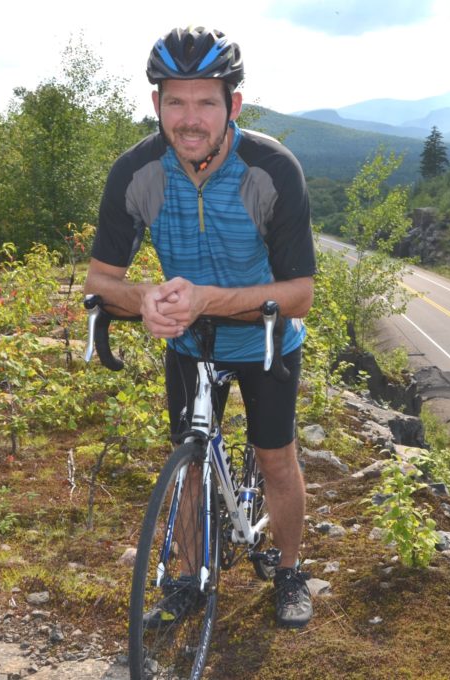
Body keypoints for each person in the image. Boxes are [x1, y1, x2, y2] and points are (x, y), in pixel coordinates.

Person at [84, 26, 315, 629]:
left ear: (232, 105)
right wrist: (142, 298)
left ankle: (289, 572)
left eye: (206, 101)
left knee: (276, 461)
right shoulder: (137, 173)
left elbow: (301, 294)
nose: (191, 118)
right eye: (176, 101)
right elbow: (101, 278)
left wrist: (209, 297)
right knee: (188, 460)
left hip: (264, 340)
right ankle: (188, 579)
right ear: (156, 104)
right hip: (189, 343)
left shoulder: (271, 169)